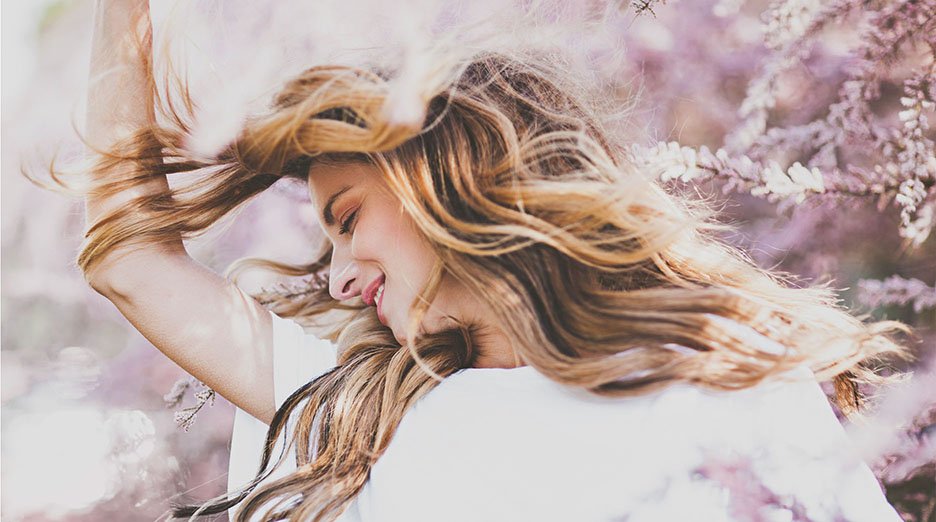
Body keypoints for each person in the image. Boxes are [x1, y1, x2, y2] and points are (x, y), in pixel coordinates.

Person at [37, 1, 912, 521]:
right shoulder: (363, 410)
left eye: (347, 219)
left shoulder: (738, 386)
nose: (339, 276)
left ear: (449, 179)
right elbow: (130, 259)